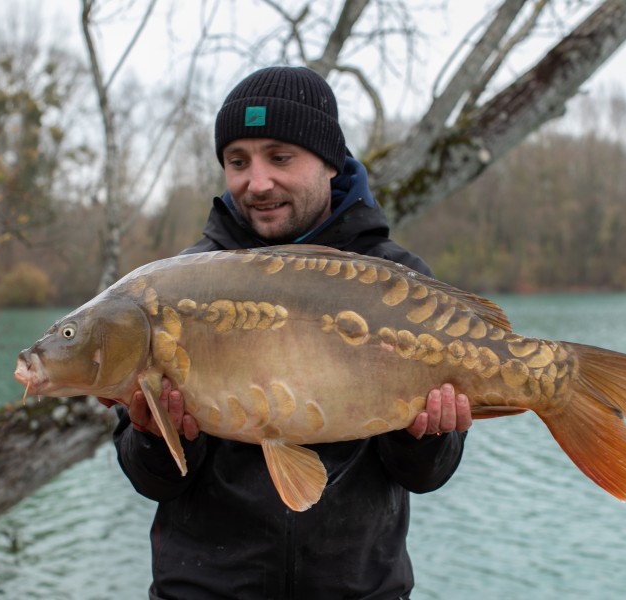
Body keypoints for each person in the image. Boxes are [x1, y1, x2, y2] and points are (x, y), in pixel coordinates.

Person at [109, 66, 473, 600]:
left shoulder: (397, 282)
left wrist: (427, 435)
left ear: (329, 162)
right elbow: (152, 481)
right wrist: (156, 436)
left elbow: (425, 475)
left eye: (280, 157)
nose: (257, 183)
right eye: (238, 162)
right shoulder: (176, 289)